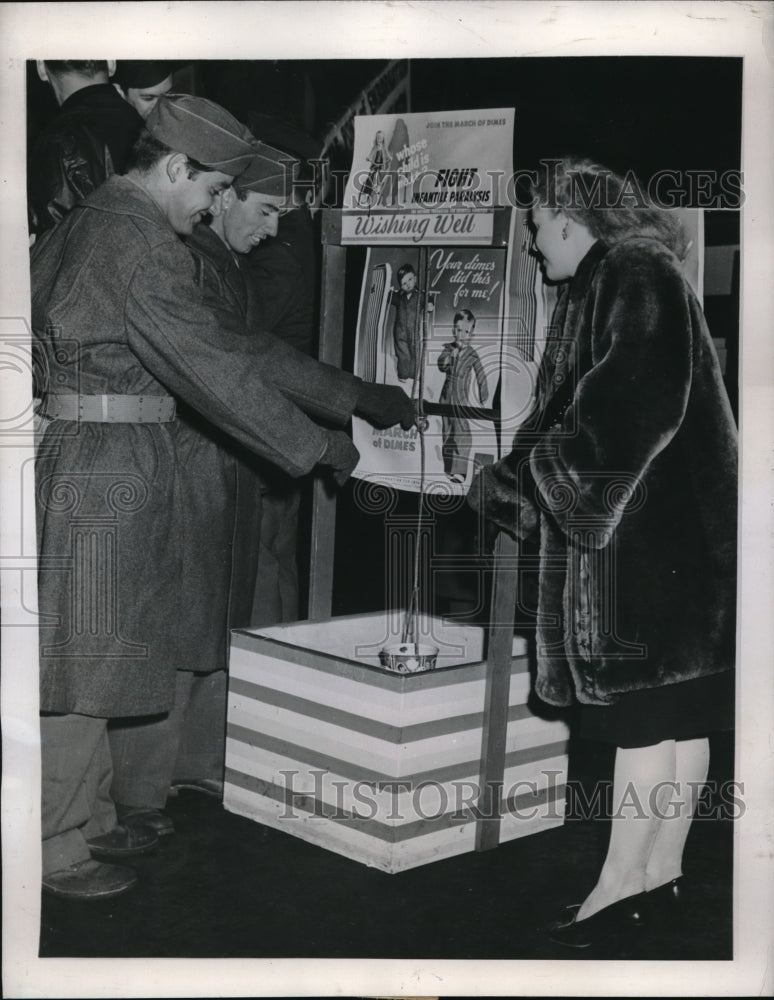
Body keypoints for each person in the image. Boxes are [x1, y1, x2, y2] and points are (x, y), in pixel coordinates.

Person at [32, 92, 412, 901]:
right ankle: (55, 845)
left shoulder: (93, 220)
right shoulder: (138, 243)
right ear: (176, 168)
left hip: (101, 452)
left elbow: (230, 350)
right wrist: (324, 448)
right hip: (106, 463)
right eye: (210, 190)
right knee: (80, 658)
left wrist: (349, 400)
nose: (213, 208)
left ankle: (91, 819)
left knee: (99, 650)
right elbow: (215, 365)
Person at [469, 156, 737, 950]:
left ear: (565, 215)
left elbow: (625, 414)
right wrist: (507, 487)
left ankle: (620, 889)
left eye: (533, 225)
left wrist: (547, 484)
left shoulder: (630, 270)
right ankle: (660, 880)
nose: (528, 245)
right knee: (678, 724)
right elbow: (573, 417)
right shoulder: (632, 273)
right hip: (686, 553)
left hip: (650, 558)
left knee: (643, 725)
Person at [107, 134, 413, 828]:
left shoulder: (220, 261)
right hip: (189, 461)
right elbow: (243, 359)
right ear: (221, 198)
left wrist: (354, 396)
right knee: (184, 623)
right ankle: (140, 795)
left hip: (227, 460)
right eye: (267, 209)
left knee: (221, 617)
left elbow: (258, 356)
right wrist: (346, 407)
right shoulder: (185, 258)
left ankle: (195, 770)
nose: (275, 229)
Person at [28, 60, 143, 237]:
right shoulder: (149, 127)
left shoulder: (54, 143)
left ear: (41, 68)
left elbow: (55, 248)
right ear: (111, 64)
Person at [437, 308, 489, 483]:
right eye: (459, 330)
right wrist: (449, 357)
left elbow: (481, 374)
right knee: (446, 433)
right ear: (453, 331)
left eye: (466, 331)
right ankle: (448, 468)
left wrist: (484, 394)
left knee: (463, 434)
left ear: (472, 335)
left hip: (461, 401)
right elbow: (441, 366)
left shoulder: (472, 354)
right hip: (445, 399)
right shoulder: (448, 348)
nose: (462, 335)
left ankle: (460, 472)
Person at [392, 263, 424, 382]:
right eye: (404, 283)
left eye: (410, 279)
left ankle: (414, 375)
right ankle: (403, 375)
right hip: (400, 331)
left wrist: (430, 304)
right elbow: (390, 298)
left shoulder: (420, 295)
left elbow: (428, 298)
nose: (408, 284)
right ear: (401, 286)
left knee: (415, 352)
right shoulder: (399, 296)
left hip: (414, 331)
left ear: (415, 278)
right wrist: (389, 293)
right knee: (403, 354)